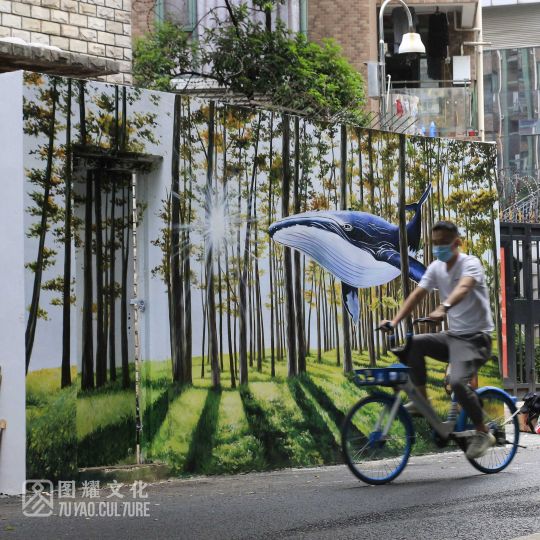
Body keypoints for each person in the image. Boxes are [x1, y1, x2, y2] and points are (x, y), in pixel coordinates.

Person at [381, 220, 495, 459]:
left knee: (456, 383)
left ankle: (483, 432)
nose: (439, 248)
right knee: (414, 344)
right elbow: (417, 295)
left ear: (457, 243)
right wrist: (394, 320)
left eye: (444, 244)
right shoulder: (435, 268)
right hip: (453, 337)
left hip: (477, 338)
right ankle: (423, 405)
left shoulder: (470, 264)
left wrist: (444, 307)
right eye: (435, 244)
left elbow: (464, 287)